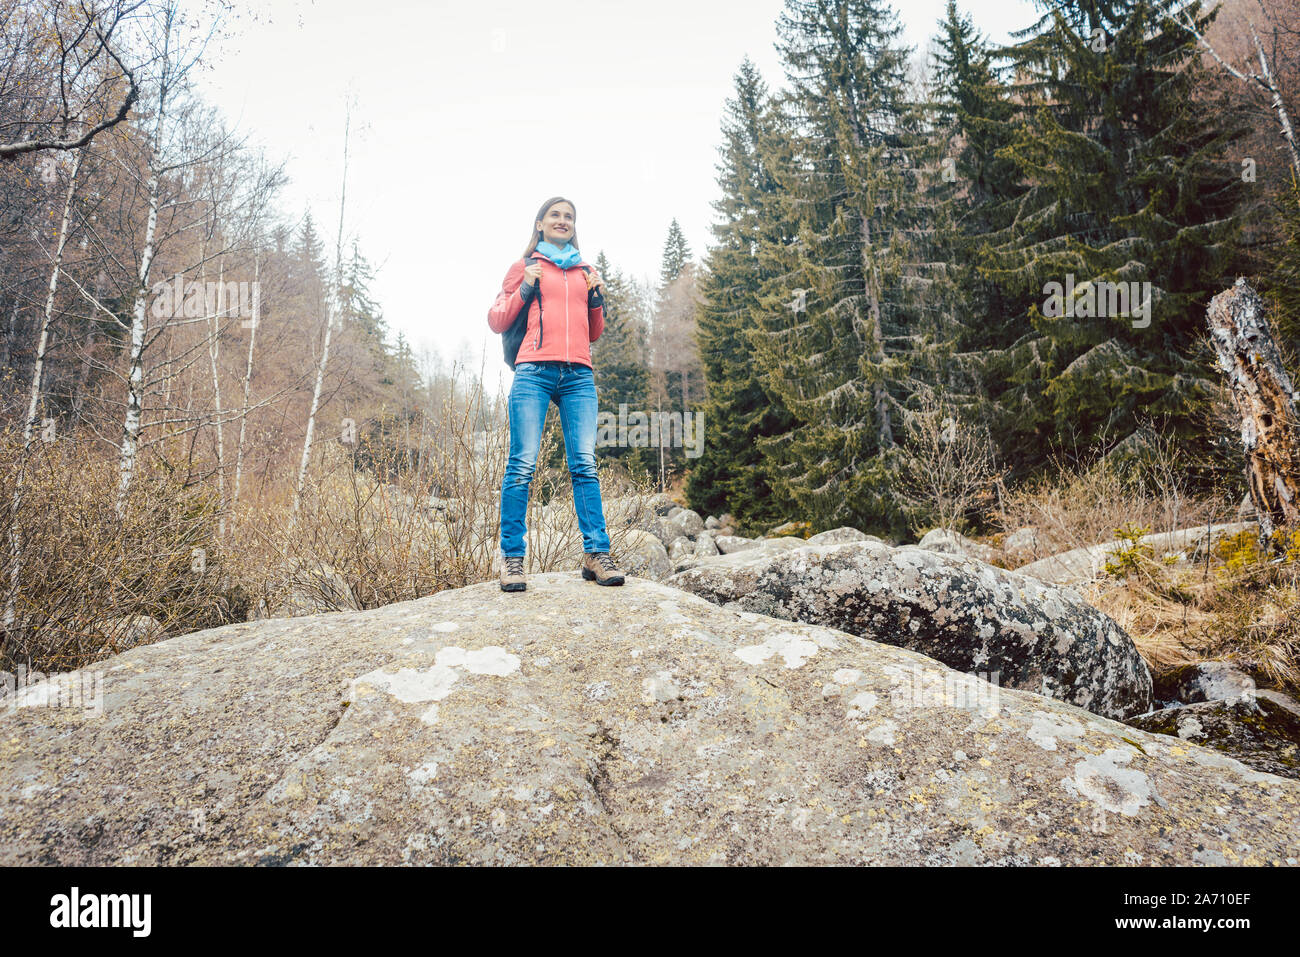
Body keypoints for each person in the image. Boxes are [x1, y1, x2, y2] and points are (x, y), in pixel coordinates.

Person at [487, 195, 625, 592]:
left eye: (569, 216)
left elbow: (593, 333)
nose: (562, 221)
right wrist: (525, 289)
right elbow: (497, 319)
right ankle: (512, 561)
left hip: (579, 374)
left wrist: (597, 299)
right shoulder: (524, 267)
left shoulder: (586, 271)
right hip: (534, 371)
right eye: (555, 215)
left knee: (584, 464)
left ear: (573, 226)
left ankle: (596, 555)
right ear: (540, 224)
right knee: (522, 465)